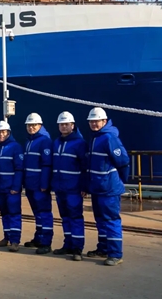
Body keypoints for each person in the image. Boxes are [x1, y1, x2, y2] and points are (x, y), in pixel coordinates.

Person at [85, 107, 130, 266]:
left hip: (109, 189)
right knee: (100, 221)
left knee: (111, 220)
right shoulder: (95, 138)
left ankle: (116, 254)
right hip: (97, 189)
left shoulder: (109, 138)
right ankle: (103, 248)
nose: (94, 124)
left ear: (104, 121)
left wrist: (120, 181)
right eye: (91, 121)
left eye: (97, 121)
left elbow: (123, 161)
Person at [52, 112, 88, 261]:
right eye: (61, 124)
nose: (64, 127)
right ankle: (68, 244)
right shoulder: (56, 142)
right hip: (60, 188)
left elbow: (85, 167)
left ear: (72, 125)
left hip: (74, 189)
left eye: (66, 124)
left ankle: (77, 248)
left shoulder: (80, 143)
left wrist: (84, 186)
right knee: (65, 218)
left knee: (76, 218)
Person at [0, 120, 24, 252]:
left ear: (8, 132)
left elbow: (19, 169)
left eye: (3, 132)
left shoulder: (15, 147)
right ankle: (7, 237)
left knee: (14, 213)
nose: (1, 134)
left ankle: (15, 241)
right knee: (4, 214)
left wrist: (16, 187)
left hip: (11, 189)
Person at [23, 113, 54, 254]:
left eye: (34, 125)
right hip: (30, 185)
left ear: (40, 126)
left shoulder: (44, 141)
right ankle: (39, 238)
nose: (31, 127)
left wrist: (44, 184)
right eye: (29, 125)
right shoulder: (29, 141)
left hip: (39, 186)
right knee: (37, 214)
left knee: (45, 213)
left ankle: (46, 242)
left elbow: (47, 165)